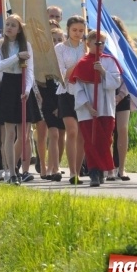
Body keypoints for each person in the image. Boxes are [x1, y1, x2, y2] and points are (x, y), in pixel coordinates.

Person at [69, 31, 122, 187]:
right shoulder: (82, 63)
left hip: (105, 107)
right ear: (88, 43)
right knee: (91, 141)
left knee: (104, 140)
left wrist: (103, 72)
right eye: (96, 43)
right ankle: (94, 173)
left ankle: (101, 171)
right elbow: (77, 89)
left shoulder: (109, 61)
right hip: (87, 109)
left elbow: (116, 82)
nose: (100, 46)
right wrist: (88, 106)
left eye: (102, 43)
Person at [0, 14, 35, 185]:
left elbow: (30, 70)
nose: (9, 28)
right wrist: (16, 57)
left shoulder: (26, 45)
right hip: (8, 85)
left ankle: (13, 166)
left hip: (22, 86)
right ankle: (12, 172)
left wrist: (27, 89)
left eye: (13, 25)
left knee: (23, 134)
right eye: (7, 24)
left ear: (19, 29)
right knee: (9, 133)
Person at [55, 16, 87, 185]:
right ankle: (72, 171)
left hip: (83, 93)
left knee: (81, 134)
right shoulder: (60, 48)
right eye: (74, 30)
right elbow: (63, 74)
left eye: (81, 30)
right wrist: (81, 62)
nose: (78, 33)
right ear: (68, 30)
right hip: (66, 91)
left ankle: (78, 170)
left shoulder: (86, 47)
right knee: (72, 131)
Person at [110, 15, 136, 181]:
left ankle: (122, 168)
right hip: (105, 95)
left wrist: (120, 95)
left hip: (123, 95)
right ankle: (110, 167)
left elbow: (130, 75)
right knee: (107, 133)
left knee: (122, 130)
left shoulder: (126, 49)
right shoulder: (102, 47)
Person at [38, 27, 65, 180]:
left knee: (59, 134)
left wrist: (59, 106)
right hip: (45, 101)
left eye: (59, 40)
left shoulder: (65, 58)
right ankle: (45, 166)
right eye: (53, 40)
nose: (56, 43)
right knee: (46, 134)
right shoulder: (44, 59)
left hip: (60, 101)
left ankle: (55, 165)